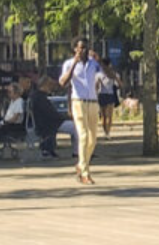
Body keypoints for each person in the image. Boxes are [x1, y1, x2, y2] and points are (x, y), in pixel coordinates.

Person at [59, 37, 103, 184]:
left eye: (85, 48)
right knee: (83, 135)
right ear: (74, 49)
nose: (83, 50)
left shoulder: (93, 64)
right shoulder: (68, 64)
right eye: (80, 48)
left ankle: (80, 163)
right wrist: (74, 64)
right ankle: (85, 172)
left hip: (93, 102)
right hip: (78, 102)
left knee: (93, 139)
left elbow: (109, 74)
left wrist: (100, 60)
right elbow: (63, 82)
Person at [97, 57, 122, 140]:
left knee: (108, 115)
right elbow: (96, 86)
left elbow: (120, 85)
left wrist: (115, 78)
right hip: (103, 94)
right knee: (104, 116)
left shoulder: (113, 74)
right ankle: (106, 132)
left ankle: (107, 132)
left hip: (109, 95)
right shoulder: (100, 74)